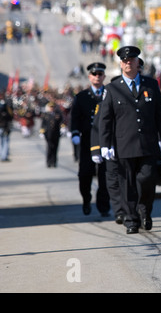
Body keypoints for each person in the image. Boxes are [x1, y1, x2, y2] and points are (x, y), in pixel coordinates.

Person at [98, 46, 161, 234]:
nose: (128, 63)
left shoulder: (150, 84)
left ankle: (145, 210)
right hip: (123, 145)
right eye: (125, 60)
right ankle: (131, 220)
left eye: (132, 59)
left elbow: (159, 113)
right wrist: (105, 145)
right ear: (121, 64)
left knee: (147, 179)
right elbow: (105, 119)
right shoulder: (112, 88)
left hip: (147, 144)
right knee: (127, 184)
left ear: (138, 62)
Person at [71, 62, 110, 217]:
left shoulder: (109, 93)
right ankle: (86, 199)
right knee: (85, 174)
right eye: (94, 74)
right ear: (89, 77)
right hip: (87, 140)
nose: (97, 77)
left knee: (105, 176)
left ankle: (104, 206)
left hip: (105, 140)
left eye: (100, 74)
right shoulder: (81, 97)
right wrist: (74, 132)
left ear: (104, 76)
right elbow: (75, 117)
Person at [90, 89, 125, 225]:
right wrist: (96, 149)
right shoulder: (104, 104)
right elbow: (97, 126)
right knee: (112, 181)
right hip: (110, 149)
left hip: (128, 148)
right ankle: (119, 211)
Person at [40, 101, 63, 167]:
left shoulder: (58, 114)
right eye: (50, 107)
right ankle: (48, 162)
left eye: (53, 107)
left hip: (56, 133)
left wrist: (63, 128)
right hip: (48, 134)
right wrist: (42, 131)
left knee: (55, 148)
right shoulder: (45, 114)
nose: (51, 108)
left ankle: (54, 162)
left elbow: (61, 122)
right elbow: (43, 124)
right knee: (49, 148)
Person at [0, 92, 14, 162]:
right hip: (4, 127)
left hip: (4, 127)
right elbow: (10, 116)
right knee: (5, 142)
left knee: (2, 142)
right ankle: (3, 156)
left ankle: (3, 155)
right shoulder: (6, 107)